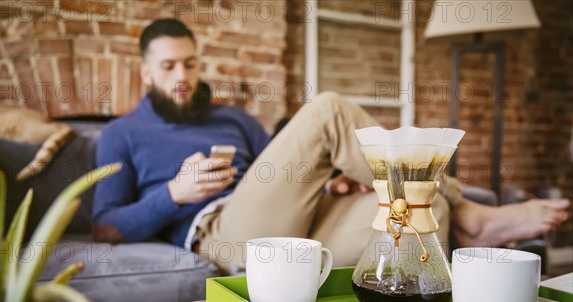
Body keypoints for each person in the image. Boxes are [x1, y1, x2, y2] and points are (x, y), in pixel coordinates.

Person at [93, 19, 570, 273]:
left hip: (288, 221)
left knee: (413, 214)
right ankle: (464, 204)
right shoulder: (121, 133)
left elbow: (282, 174)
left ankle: (453, 214)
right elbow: (106, 229)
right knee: (329, 109)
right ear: (147, 72)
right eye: (170, 67)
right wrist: (173, 194)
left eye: (191, 64)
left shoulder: (232, 119)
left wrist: (332, 183)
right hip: (223, 231)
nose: (183, 77)